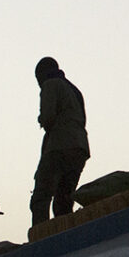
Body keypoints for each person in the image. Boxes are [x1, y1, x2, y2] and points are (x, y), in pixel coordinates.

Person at [31, 56, 89, 226]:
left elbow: (48, 117)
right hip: (79, 147)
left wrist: (41, 119)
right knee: (64, 201)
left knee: (41, 197)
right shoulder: (73, 89)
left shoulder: (50, 84)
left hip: (59, 147)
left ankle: (40, 239)